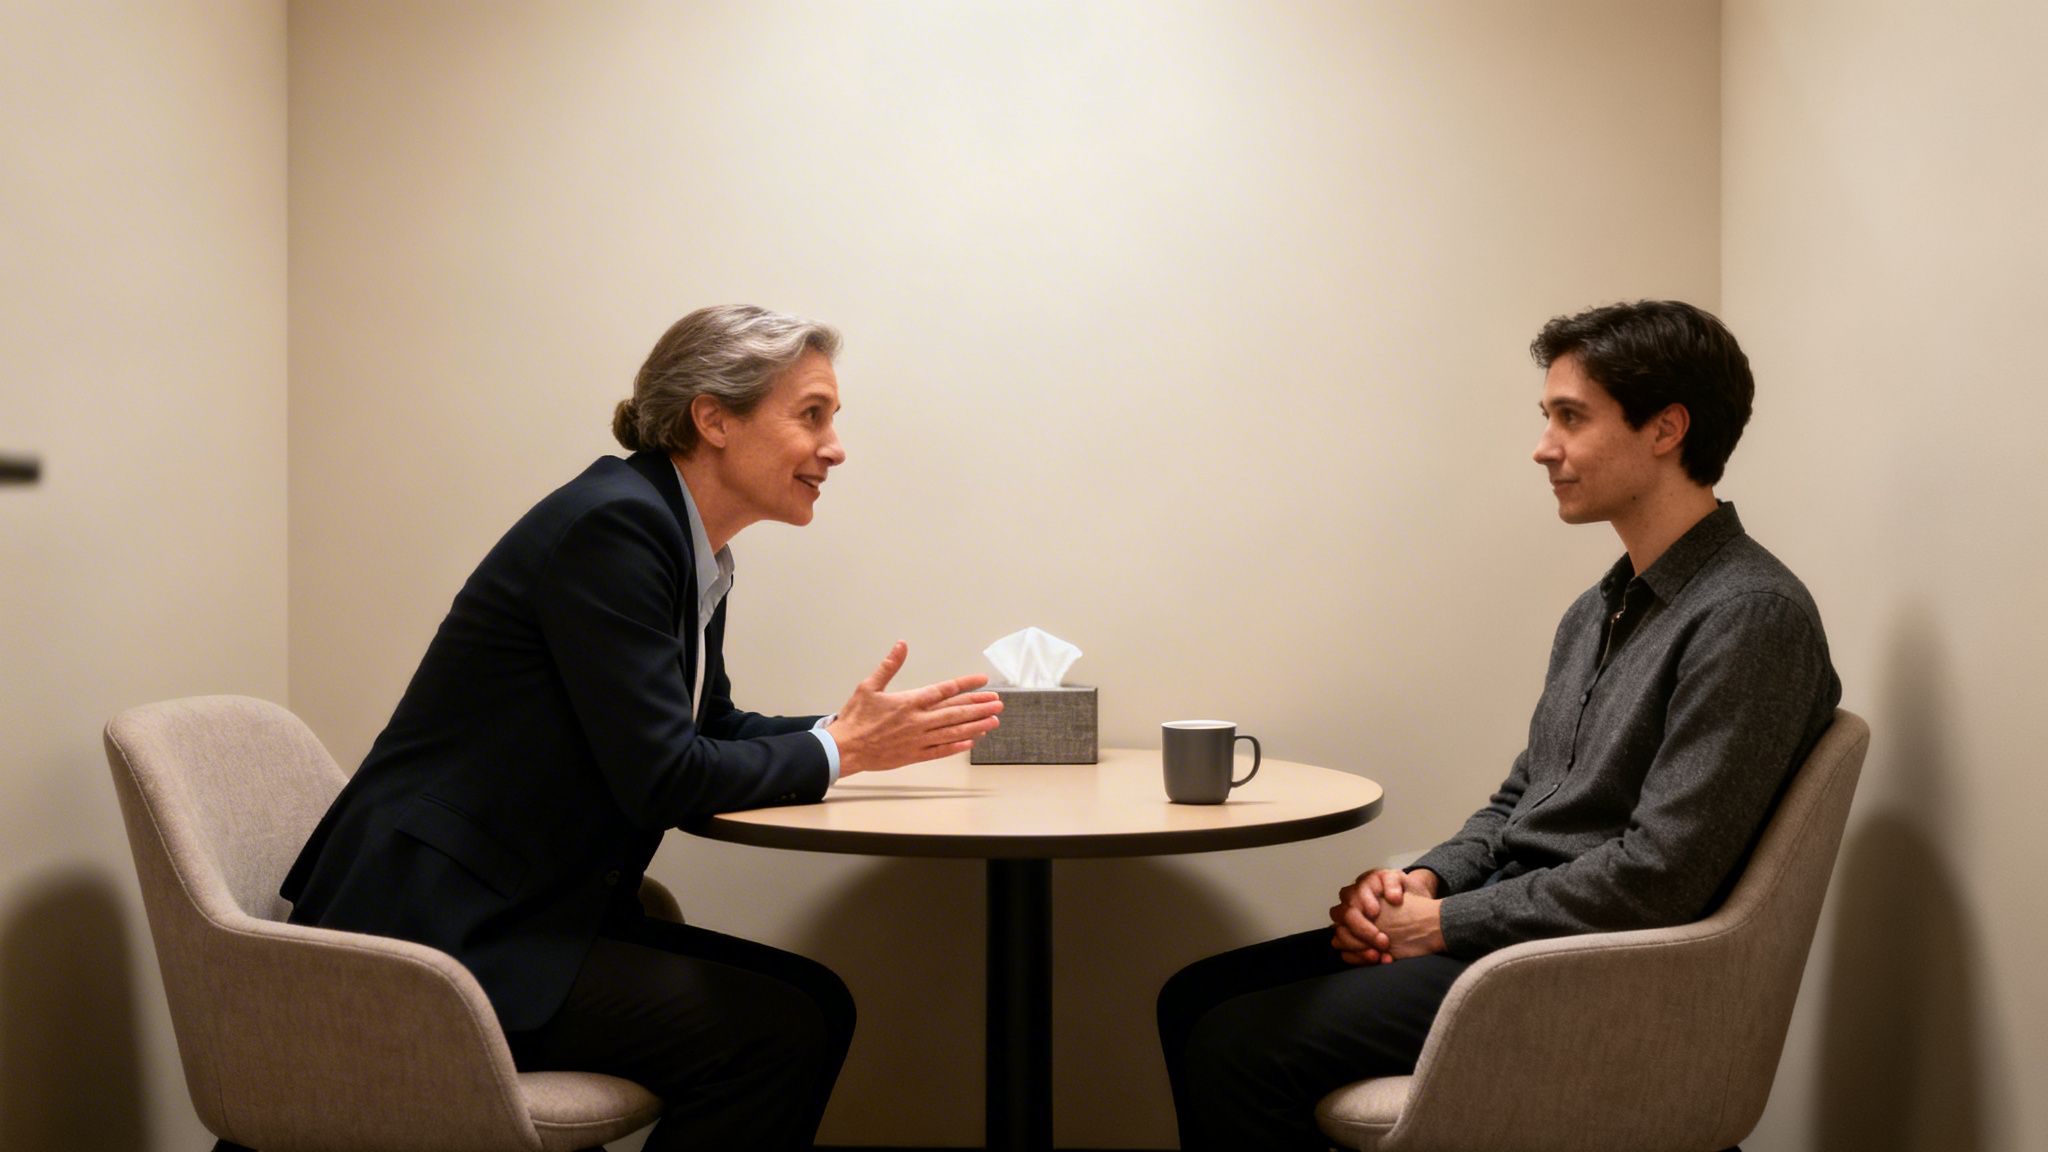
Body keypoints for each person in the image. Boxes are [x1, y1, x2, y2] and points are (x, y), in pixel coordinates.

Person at [282, 304, 1004, 1151]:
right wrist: (840, 750)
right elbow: (665, 776)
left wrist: (851, 733)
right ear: (714, 419)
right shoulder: (616, 527)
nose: (834, 446)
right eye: (812, 415)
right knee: (779, 1032)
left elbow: (711, 724)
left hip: (522, 910)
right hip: (436, 934)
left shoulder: (685, 543)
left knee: (818, 1004)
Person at [1156, 299, 1840, 1149]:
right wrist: (1425, 882)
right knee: (1192, 999)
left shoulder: (1749, 616)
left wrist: (1443, 924)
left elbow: (1661, 877)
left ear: (1666, 429)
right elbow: (1525, 798)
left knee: (1236, 1047)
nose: (1543, 446)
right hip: (1510, 927)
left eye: (1571, 417)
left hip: (1588, 967)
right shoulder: (1602, 607)